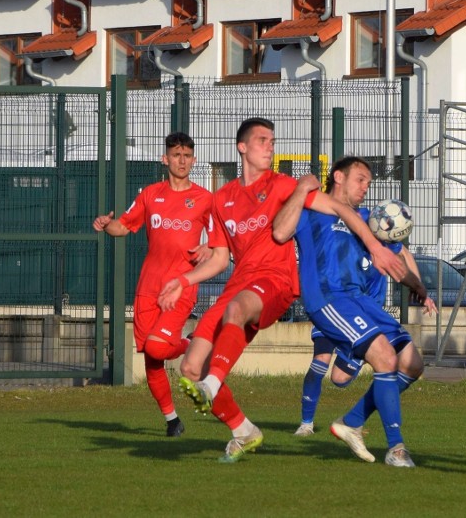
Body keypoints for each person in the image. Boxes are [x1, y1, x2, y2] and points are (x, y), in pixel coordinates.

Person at [157, 119, 406, 463]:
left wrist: (375, 247)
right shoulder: (222, 198)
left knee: (235, 314)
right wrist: (185, 280)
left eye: (272, 140)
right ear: (242, 147)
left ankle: (213, 384)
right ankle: (243, 429)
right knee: (190, 368)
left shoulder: (282, 184)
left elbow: (338, 207)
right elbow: (219, 259)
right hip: (239, 283)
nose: (270, 146)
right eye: (263, 140)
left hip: (274, 280)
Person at [273, 156, 436, 467]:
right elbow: (280, 231)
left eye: (368, 182)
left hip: (360, 302)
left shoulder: (365, 220)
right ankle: (396, 448)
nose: (365, 187)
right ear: (338, 176)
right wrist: (299, 190)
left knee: (412, 363)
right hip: (329, 300)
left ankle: (352, 421)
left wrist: (419, 287)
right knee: (383, 358)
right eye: (360, 179)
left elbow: (395, 257)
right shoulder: (310, 210)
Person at [93, 132, 212, 437]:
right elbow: (124, 226)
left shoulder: (204, 198)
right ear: (165, 159)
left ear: (194, 160)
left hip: (180, 287)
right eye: (176, 155)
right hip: (148, 286)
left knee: (159, 347)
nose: (182, 161)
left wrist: (209, 248)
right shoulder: (150, 194)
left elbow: (221, 237)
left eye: (187, 156)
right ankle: (172, 420)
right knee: (151, 355)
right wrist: (108, 226)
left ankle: (192, 344)